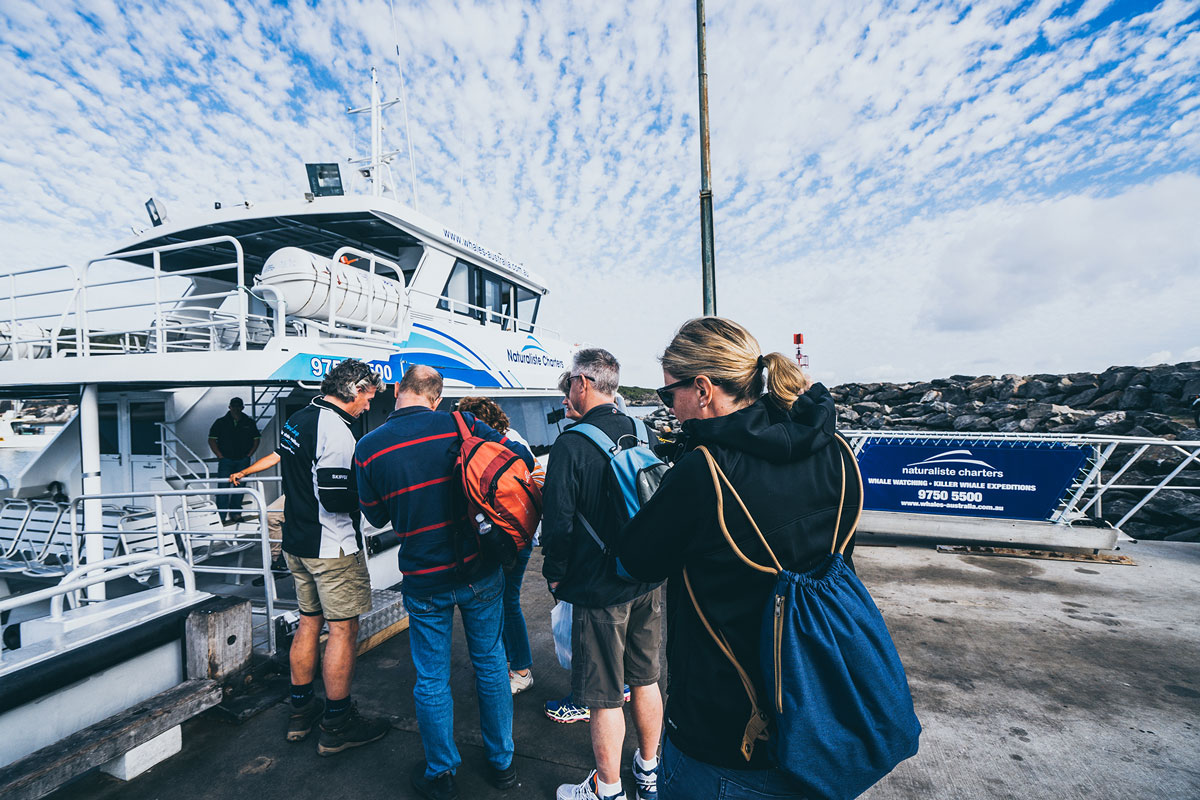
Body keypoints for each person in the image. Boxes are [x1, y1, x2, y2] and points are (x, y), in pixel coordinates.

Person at [613, 317, 850, 799]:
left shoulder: (704, 470)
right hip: (821, 702)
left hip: (726, 727)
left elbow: (632, 563)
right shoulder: (835, 450)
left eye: (669, 394)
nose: (669, 408)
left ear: (702, 389)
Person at [356, 365, 534, 800]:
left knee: (432, 678)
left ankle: (442, 772)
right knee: (490, 663)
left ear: (397, 390)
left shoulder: (368, 447)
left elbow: (375, 515)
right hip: (479, 569)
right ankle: (502, 763)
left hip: (422, 577)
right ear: (437, 398)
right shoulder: (463, 424)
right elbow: (518, 463)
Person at [542, 348, 664, 800]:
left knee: (604, 695)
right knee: (646, 678)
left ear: (583, 383)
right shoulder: (643, 431)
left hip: (599, 589)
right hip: (646, 578)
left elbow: (558, 525)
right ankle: (649, 770)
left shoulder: (571, 445)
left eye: (569, 382)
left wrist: (555, 576)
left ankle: (607, 790)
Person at [274, 359, 388, 756]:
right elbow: (337, 498)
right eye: (368, 397)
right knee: (342, 631)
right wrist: (375, 494)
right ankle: (337, 724)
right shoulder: (337, 432)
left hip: (297, 541)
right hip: (332, 547)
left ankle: (301, 711)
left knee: (309, 622)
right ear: (353, 389)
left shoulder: (298, 419)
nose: (369, 405)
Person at [456, 396, 544, 696]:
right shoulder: (514, 439)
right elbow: (536, 476)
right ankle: (507, 661)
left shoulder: (492, 446)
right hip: (521, 534)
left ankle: (521, 669)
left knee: (507, 601)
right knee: (504, 599)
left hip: (507, 538)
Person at [208, 397, 260, 523]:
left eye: (238, 406)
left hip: (243, 460)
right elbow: (212, 439)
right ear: (229, 407)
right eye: (234, 406)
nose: (236, 408)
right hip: (226, 460)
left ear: (242, 407)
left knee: (240, 487)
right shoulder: (220, 422)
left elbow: (256, 439)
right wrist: (219, 455)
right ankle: (221, 516)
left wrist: (249, 455)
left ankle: (236, 514)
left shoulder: (249, 422)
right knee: (223, 488)